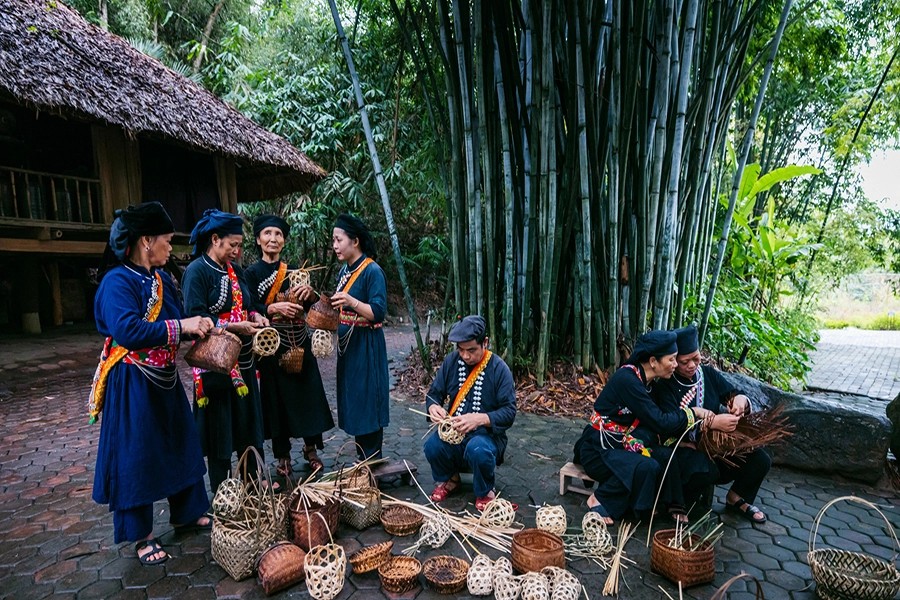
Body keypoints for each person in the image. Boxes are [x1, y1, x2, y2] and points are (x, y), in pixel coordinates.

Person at [90, 202, 215, 566]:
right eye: (165, 240)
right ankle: (141, 534)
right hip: (133, 381)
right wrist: (182, 327)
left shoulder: (161, 280)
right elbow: (127, 330)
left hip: (165, 378)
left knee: (180, 441)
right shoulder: (116, 282)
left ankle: (187, 512)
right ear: (146, 241)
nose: (169, 247)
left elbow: (179, 320)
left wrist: (203, 326)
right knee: (138, 453)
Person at [572, 330, 709, 525]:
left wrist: (676, 443)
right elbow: (659, 421)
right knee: (647, 465)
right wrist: (693, 413)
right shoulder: (627, 380)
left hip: (622, 445)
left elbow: (653, 427)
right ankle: (600, 498)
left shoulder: (649, 383)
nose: (676, 364)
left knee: (664, 456)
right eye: (671, 359)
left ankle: (661, 504)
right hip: (598, 449)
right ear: (653, 361)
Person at [182, 208, 270, 494]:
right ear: (215, 239)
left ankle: (253, 486)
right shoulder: (197, 271)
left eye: (240, 245)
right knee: (220, 428)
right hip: (215, 365)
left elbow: (249, 304)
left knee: (247, 424)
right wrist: (235, 326)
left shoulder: (236, 271)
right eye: (233, 244)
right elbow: (195, 317)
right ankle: (223, 494)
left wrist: (255, 317)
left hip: (243, 361)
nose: (237, 250)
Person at [651, 325, 771, 524]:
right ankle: (677, 501)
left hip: (715, 447)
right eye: (684, 361)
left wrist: (741, 401)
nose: (692, 365)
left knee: (760, 459)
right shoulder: (665, 385)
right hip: (683, 449)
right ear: (673, 360)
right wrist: (712, 423)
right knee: (704, 468)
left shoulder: (707, 374)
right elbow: (667, 424)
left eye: (696, 358)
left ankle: (736, 497)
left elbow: (732, 394)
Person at [244, 214, 335, 476]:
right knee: (276, 400)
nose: (273, 238)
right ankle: (282, 456)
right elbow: (248, 307)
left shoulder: (296, 271)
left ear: (284, 241)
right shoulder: (250, 274)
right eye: (267, 233)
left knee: (307, 396)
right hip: (271, 345)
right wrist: (271, 307)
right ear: (258, 239)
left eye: (278, 234)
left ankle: (311, 449)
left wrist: (312, 294)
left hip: (299, 339)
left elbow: (311, 307)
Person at [424, 315, 518, 511]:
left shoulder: (499, 369)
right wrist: (434, 408)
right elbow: (434, 394)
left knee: (478, 449)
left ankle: (485, 491)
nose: (465, 356)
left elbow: (509, 412)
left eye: (471, 350)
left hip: (487, 437)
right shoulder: (451, 362)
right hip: (454, 435)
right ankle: (451, 479)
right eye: (461, 350)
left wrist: (480, 419)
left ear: (485, 342)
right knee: (432, 445)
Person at [330, 213, 390, 461]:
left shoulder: (372, 271)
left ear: (355, 241)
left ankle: (372, 460)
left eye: (338, 240)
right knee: (355, 398)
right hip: (349, 347)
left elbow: (378, 312)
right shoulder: (345, 270)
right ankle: (362, 458)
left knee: (369, 399)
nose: (334, 246)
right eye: (333, 240)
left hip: (367, 345)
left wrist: (352, 301)